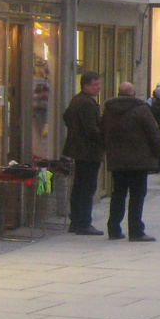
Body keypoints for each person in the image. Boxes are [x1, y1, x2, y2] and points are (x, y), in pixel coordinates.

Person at [101, 81, 160, 242]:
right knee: (137, 195)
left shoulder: (109, 110)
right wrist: (157, 154)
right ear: (133, 93)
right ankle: (135, 230)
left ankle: (113, 228)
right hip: (138, 160)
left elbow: (102, 131)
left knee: (118, 194)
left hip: (118, 160)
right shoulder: (141, 109)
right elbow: (153, 132)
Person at [62, 71, 105, 235]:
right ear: (86, 85)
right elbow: (91, 130)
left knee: (79, 186)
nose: (99, 88)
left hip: (79, 149)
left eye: (99, 84)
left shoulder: (77, 100)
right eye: (96, 85)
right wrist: (103, 140)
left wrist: (74, 132)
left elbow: (65, 116)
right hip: (88, 151)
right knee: (86, 187)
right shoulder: (86, 103)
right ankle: (83, 223)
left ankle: (77, 221)